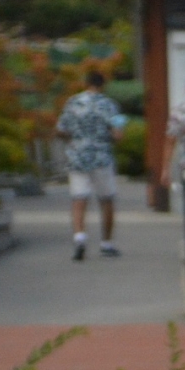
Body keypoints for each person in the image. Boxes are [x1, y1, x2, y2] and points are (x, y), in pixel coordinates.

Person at [57, 66, 125, 261]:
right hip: (101, 156)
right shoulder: (109, 105)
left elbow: (61, 129)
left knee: (79, 198)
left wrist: (74, 139)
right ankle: (106, 243)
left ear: (86, 84)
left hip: (77, 156)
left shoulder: (72, 102)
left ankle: (79, 238)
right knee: (107, 199)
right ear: (102, 85)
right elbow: (118, 134)